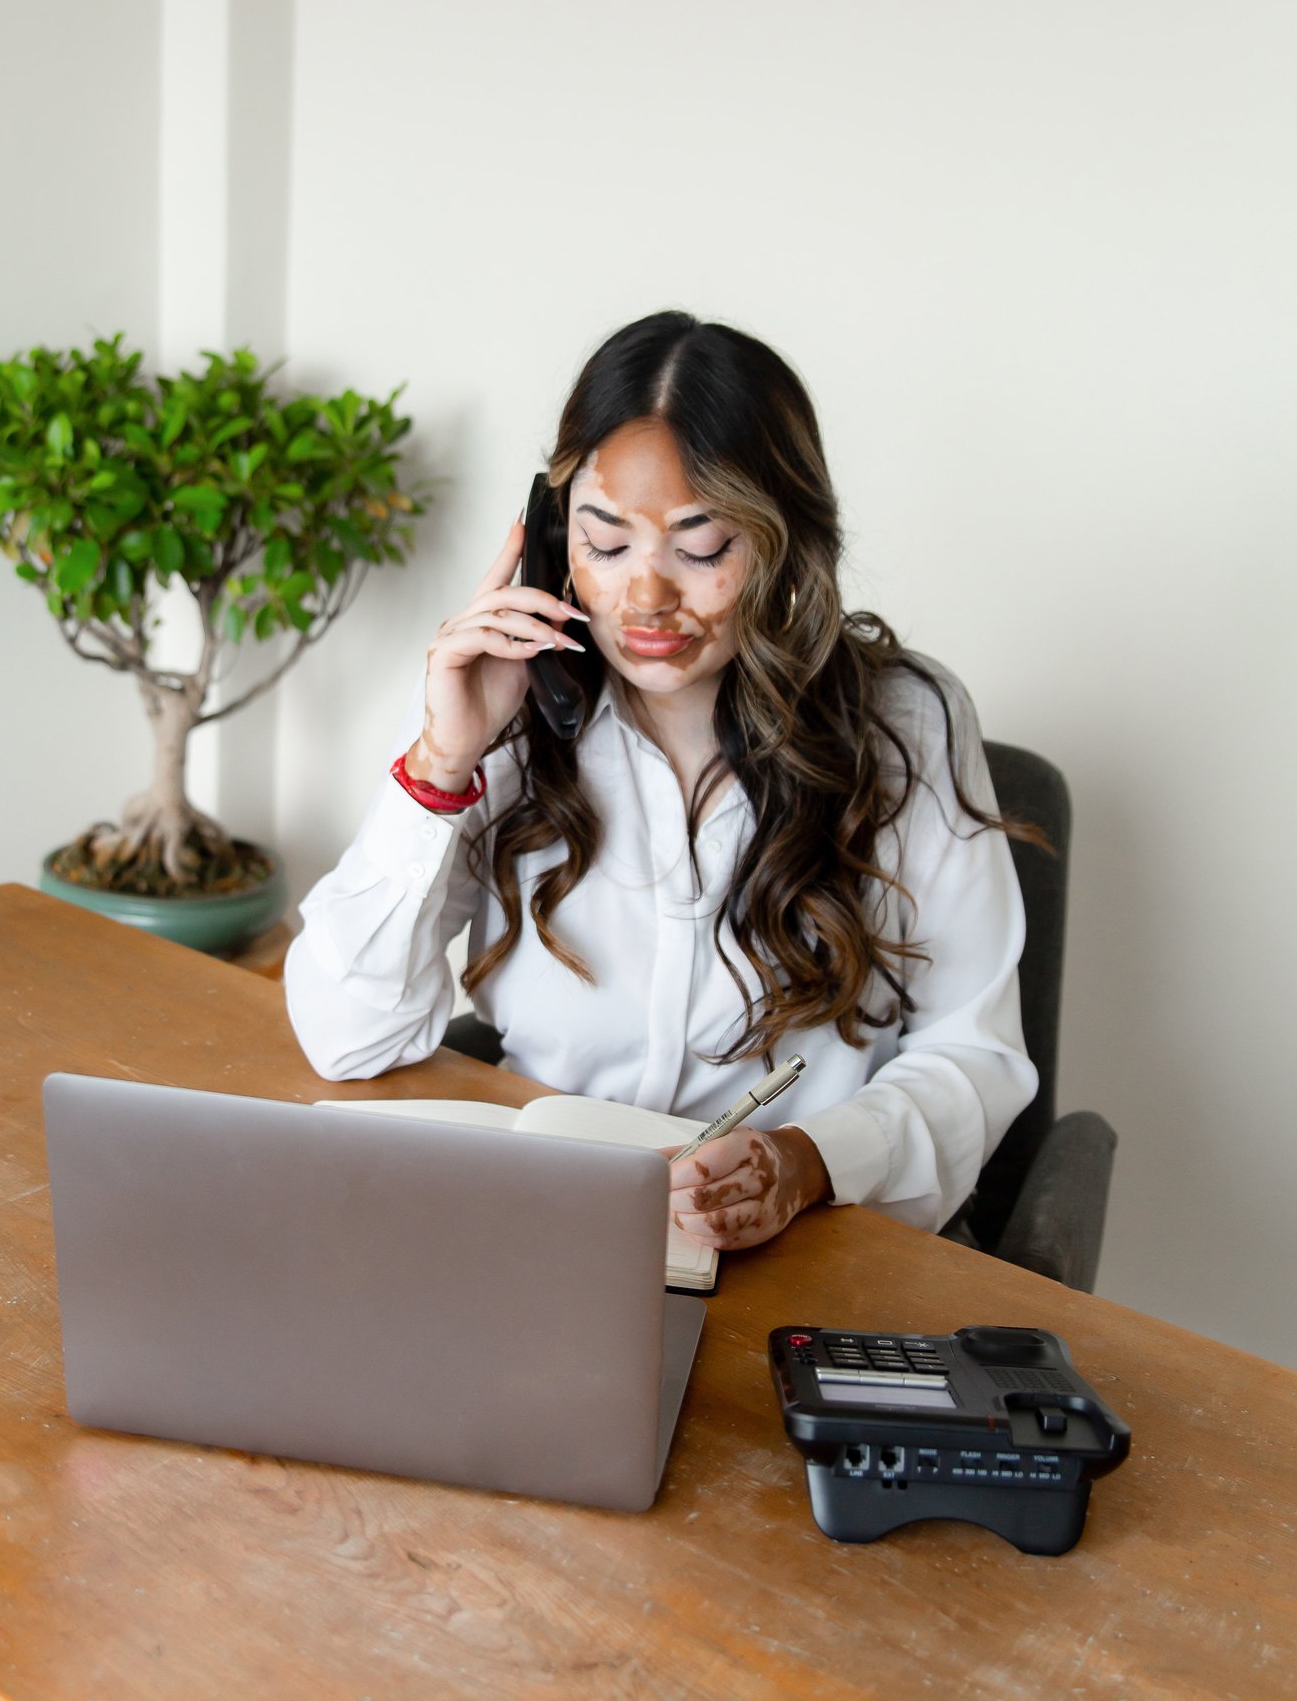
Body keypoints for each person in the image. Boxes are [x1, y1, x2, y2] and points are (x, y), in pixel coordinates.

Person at [285, 312, 1036, 1253]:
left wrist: (806, 1163)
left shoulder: (908, 723)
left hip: (806, 1249)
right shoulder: (491, 699)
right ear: (556, 539)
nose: (645, 599)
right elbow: (345, 1039)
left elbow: (977, 1054)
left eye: (702, 547)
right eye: (605, 546)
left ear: (782, 542)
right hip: (546, 1233)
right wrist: (441, 766)